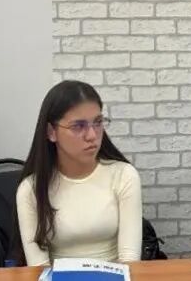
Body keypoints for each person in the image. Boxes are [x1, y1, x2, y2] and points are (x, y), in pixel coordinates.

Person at [15, 80, 142, 265]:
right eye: (78, 126)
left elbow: (130, 260)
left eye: (98, 123)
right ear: (51, 132)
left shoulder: (124, 175)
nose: (92, 135)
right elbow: (39, 268)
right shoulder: (31, 190)